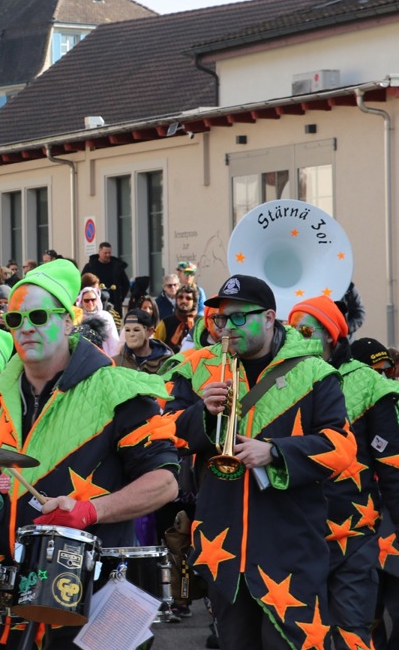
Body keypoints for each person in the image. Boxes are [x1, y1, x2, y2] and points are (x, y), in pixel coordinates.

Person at [0, 258, 179, 648]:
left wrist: (90, 511)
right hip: (3, 593)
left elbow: (164, 484)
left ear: (66, 321)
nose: (25, 328)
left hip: (88, 597)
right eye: (14, 320)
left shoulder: (118, 390)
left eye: (38, 316)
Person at [167, 275, 352, 650]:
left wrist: (276, 451)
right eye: (221, 319)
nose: (226, 328)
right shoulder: (195, 367)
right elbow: (166, 432)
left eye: (238, 318)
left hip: (289, 545)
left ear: (269, 317)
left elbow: (341, 447)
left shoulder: (314, 372)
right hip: (222, 547)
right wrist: (202, 412)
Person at [287, 297, 399, 649]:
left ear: (332, 335)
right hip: (295, 533)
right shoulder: (283, 378)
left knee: (352, 630)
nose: (298, 338)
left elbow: (394, 460)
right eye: (293, 330)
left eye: (307, 330)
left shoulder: (368, 384)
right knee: (303, 635)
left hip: (353, 531)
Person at [81, 241, 131, 314]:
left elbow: (125, 284)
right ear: (99, 252)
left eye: (109, 253)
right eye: (105, 253)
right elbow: (83, 283)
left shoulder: (117, 267)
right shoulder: (90, 266)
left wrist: (120, 299)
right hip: (94, 304)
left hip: (114, 305)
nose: (107, 255)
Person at [117, 308, 171, 373]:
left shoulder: (166, 362)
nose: (131, 334)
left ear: (149, 332)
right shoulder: (116, 362)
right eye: (127, 330)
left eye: (136, 330)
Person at [155, 283, 198, 352]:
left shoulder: (202, 322)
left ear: (194, 302)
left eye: (188, 298)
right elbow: (155, 344)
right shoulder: (166, 322)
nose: (184, 301)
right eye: (180, 297)